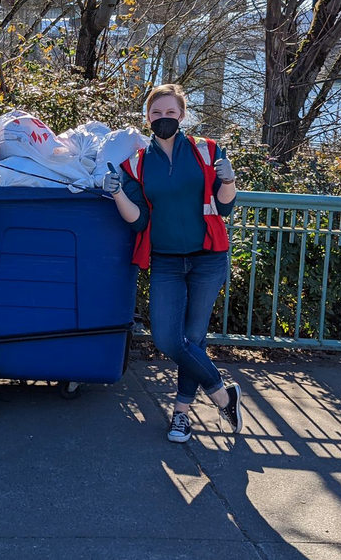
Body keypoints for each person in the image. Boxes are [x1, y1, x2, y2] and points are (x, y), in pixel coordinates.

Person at [102, 84, 243, 443]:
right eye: (156, 113)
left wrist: (229, 180)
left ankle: (181, 415)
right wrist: (117, 192)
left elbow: (225, 206)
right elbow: (138, 220)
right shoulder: (135, 163)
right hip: (165, 261)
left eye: (170, 113)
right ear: (147, 117)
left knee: (193, 337)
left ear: (181, 115)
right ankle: (222, 394)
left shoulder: (206, 150)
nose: (163, 119)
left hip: (208, 257)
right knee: (168, 338)